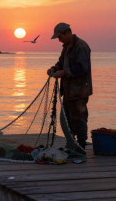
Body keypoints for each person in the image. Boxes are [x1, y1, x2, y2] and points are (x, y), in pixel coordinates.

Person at [47, 23, 92, 151]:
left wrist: (64, 73)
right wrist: (54, 68)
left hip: (79, 91)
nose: (59, 39)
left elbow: (82, 68)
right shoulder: (66, 47)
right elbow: (61, 62)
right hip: (68, 91)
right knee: (67, 118)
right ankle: (71, 143)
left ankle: (81, 145)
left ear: (68, 33)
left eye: (60, 36)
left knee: (79, 118)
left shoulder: (81, 46)